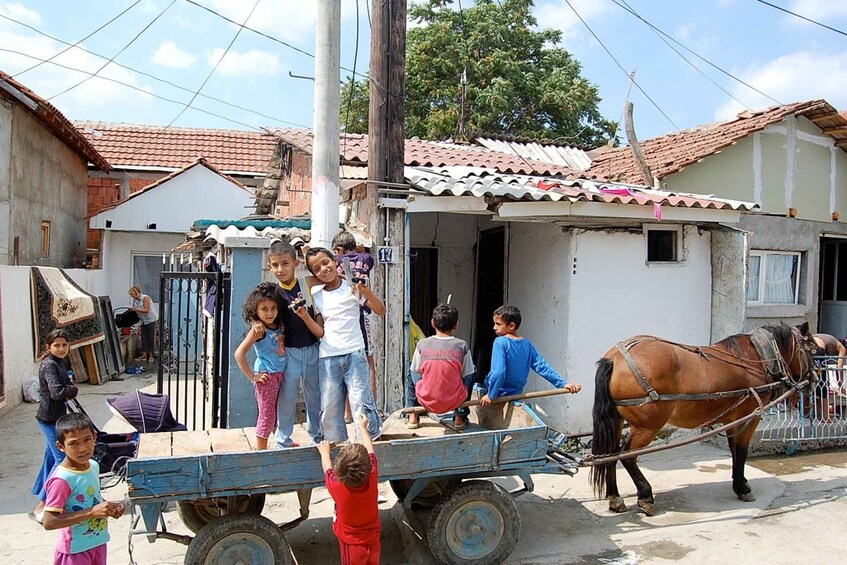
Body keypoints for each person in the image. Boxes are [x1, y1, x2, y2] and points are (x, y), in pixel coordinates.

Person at [305, 247, 385, 442]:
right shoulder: (316, 295)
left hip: (354, 354)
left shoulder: (352, 288)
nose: (323, 269)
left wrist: (366, 291)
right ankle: (337, 446)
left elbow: (381, 310)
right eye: (316, 268)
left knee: (360, 402)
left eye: (326, 262)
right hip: (328, 357)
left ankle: (368, 442)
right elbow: (319, 329)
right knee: (331, 407)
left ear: (335, 260)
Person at [261, 239, 324, 446]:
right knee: (287, 398)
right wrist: (255, 323)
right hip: (288, 353)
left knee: (315, 396)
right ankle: (282, 440)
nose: (280, 269)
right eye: (275, 265)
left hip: (314, 348)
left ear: (295, 263)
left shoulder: (306, 283)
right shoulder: (272, 293)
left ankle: (317, 437)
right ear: (270, 266)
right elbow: (257, 310)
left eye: (285, 264)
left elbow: (329, 274)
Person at [42, 412, 126, 565]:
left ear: (94, 438)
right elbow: (49, 521)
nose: (82, 449)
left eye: (87, 440)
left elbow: (93, 498)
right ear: (61, 446)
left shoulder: (93, 466)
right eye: (74, 443)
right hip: (75, 551)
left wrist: (109, 508)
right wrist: (92, 512)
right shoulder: (62, 479)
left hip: (98, 543)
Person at [479, 305, 582, 406]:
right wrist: (563, 384)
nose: (494, 327)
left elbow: (498, 372)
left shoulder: (500, 342)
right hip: (515, 394)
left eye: (498, 324)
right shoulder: (527, 344)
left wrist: (491, 395)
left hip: (498, 393)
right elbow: (542, 367)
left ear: (511, 326)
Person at [317, 414, 381, 565]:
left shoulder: (338, 486)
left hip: (351, 545)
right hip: (373, 542)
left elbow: (327, 469)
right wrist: (363, 428)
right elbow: (370, 450)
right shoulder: (371, 477)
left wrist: (324, 452)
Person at [30, 329, 78, 525]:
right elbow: (58, 392)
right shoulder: (49, 365)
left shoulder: (61, 362)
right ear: (48, 347)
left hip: (59, 417)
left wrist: (69, 389)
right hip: (49, 419)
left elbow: (65, 385)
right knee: (61, 460)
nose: (61, 349)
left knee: (50, 458)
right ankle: (42, 506)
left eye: (64, 345)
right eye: (56, 345)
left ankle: (40, 493)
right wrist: (73, 390)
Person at [234, 283, 287, 450]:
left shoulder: (278, 326)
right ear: (255, 310)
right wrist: (253, 376)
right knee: (266, 414)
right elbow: (239, 353)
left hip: (279, 374)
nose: (270, 313)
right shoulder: (259, 330)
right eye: (264, 309)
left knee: (278, 412)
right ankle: (261, 451)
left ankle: (281, 441)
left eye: (273, 308)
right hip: (267, 376)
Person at [407, 304, 476, 430]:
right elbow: (468, 374)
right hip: (455, 400)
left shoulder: (423, 344)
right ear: (456, 325)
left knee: (410, 371)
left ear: (433, 323)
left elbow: (415, 372)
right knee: (472, 370)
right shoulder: (461, 345)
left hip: (426, 399)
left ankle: (413, 415)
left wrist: (422, 387)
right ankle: (460, 417)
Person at [332, 230, 377, 422]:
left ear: (338, 249)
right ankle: (372, 407)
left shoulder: (334, 263)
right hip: (361, 314)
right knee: (368, 363)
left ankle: (347, 413)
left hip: (342, 319)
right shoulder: (365, 258)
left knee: (344, 367)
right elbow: (366, 255)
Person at [128, 285, 158, 363]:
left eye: (132, 295)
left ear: (136, 293)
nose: (132, 296)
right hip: (143, 320)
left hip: (151, 319)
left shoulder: (145, 298)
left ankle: (151, 355)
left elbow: (146, 309)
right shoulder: (135, 300)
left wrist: (135, 309)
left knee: (150, 337)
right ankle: (144, 354)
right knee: (143, 337)